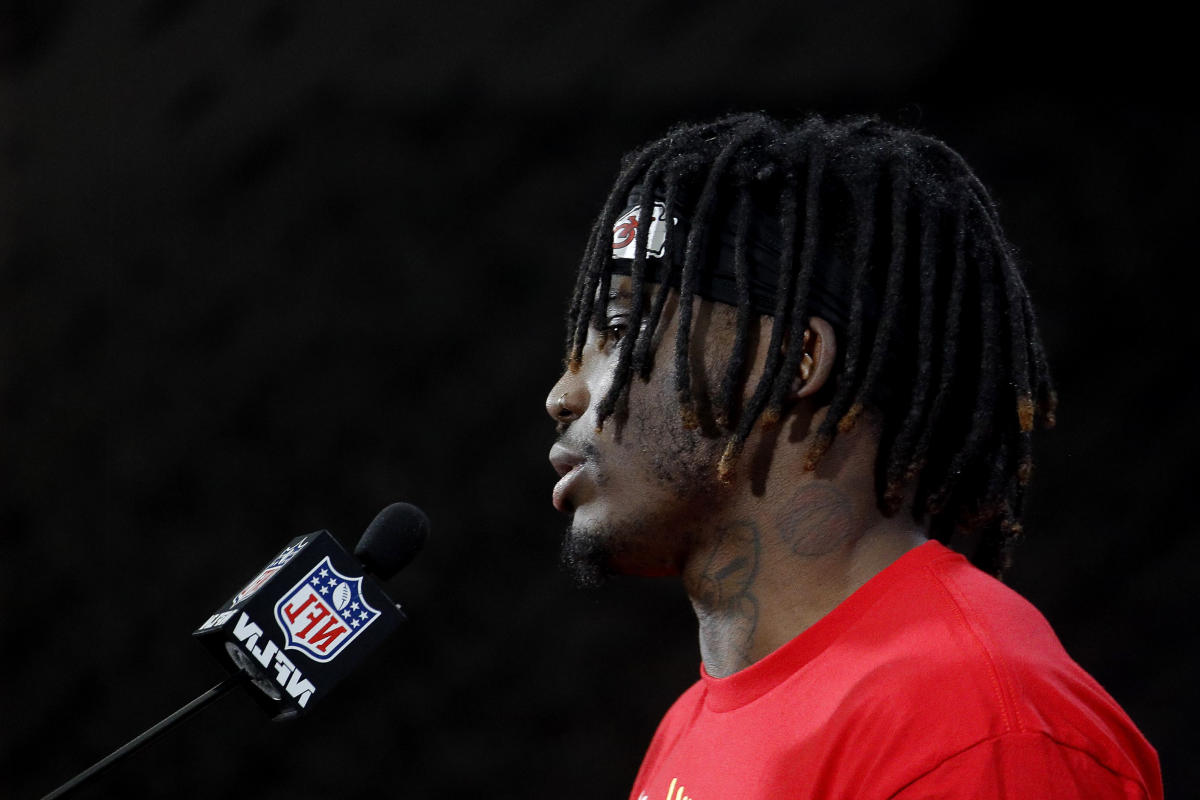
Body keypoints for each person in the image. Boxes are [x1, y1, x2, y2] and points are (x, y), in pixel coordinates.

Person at [544, 113, 1162, 799]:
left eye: (623, 329)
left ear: (790, 361)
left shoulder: (975, 726)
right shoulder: (688, 727)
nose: (563, 394)